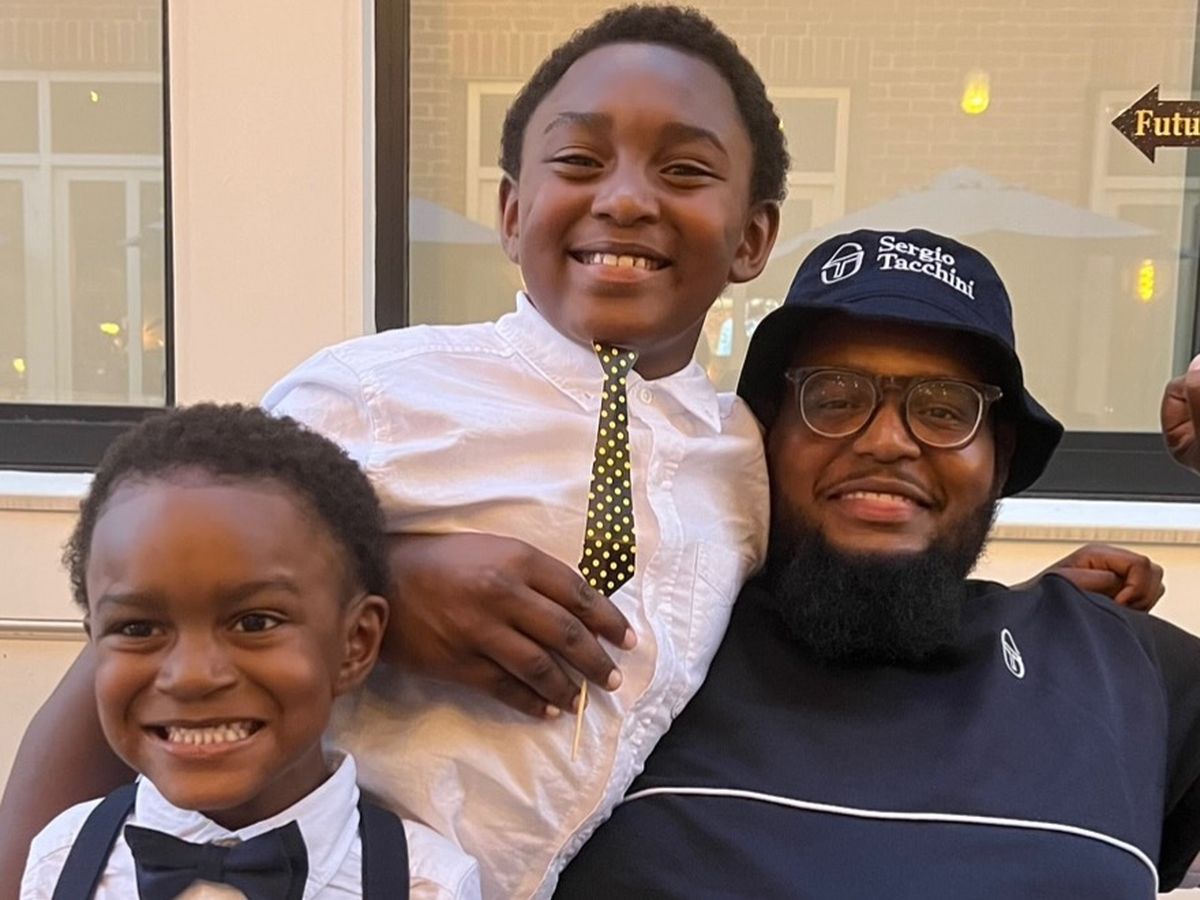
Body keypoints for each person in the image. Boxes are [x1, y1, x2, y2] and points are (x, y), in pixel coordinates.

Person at [0, 8, 1164, 898]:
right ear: (511, 212)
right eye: (579, 161)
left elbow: (840, 567)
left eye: (685, 170)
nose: (628, 200)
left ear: (751, 237)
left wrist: (1029, 614)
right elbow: (157, 621)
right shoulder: (375, 392)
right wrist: (382, 583)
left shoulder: (737, 462)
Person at [555, 228, 1200, 898]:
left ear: (999, 457)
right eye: (835, 399)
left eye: (944, 409)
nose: (887, 442)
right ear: (765, 435)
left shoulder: (1113, 664)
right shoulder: (631, 637)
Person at [19, 405, 481, 899]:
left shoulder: (428, 886)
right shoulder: (61, 860)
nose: (192, 676)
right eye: (138, 628)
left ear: (355, 643)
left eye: (254, 623)